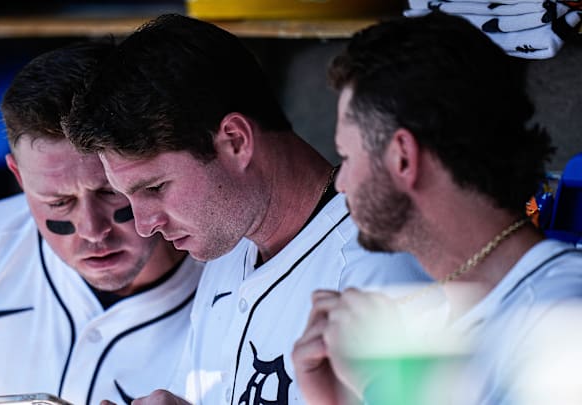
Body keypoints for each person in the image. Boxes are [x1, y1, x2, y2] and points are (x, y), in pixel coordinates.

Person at [64, 14, 431, 405]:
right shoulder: (229, 247)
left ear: (236, 141)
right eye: (127, 195)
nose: (144, 224)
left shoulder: (383, 266)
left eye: (155, 187)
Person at [0, 41, 203, 405]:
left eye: (110, 193)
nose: (91, 229)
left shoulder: (231, 275)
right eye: (59, 202)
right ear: (20, 177)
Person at [291, 12, 582, 405]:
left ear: (403, 159)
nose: (341, 183)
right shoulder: (439, 320)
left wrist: (379, 382)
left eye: (347, 155)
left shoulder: (561, 313)